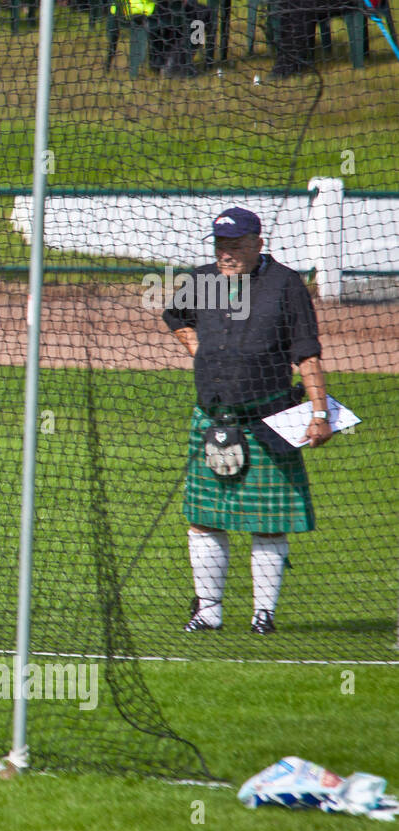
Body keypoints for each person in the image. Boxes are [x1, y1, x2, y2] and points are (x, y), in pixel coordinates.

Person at [162, 207, 332, 635]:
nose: (226, 253)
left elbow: (306, 352)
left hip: (269, 420)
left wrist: (319, 413)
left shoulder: (285, 285)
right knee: (203, 518)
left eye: (235, 245)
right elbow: (174, 316)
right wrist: (196, 347)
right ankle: (208, 611)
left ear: (259, 242)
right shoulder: (202, 280)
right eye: (220, 245)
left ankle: (263, 614)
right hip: (212, 417)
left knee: (268, 523)